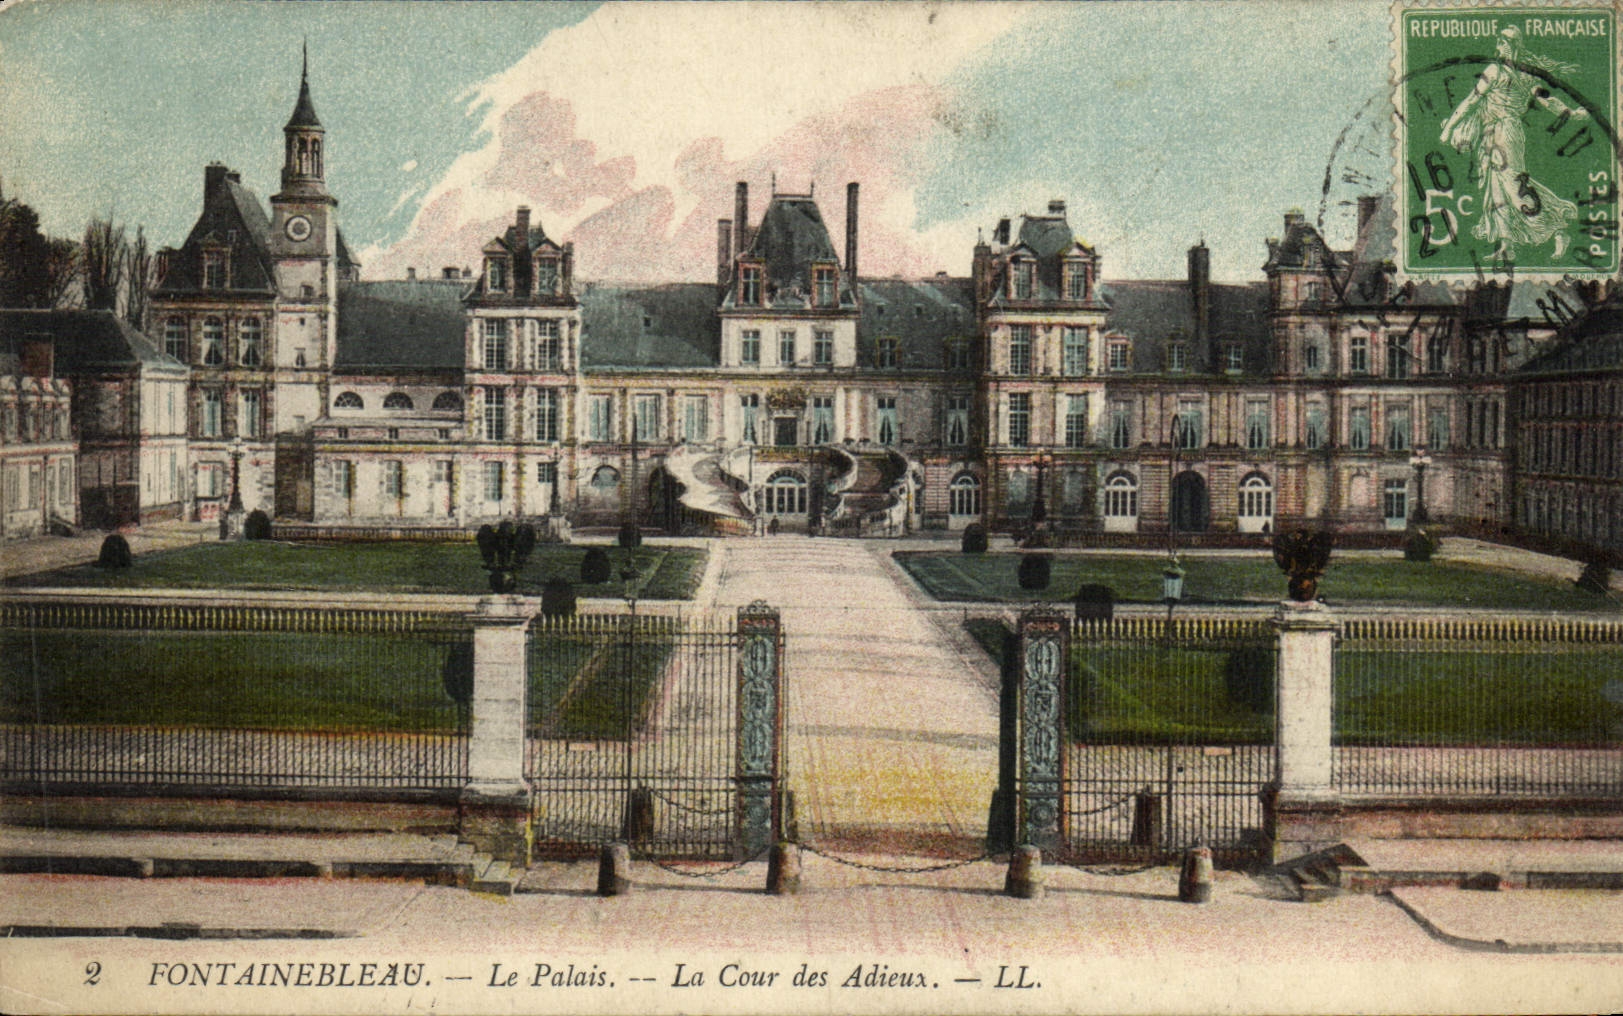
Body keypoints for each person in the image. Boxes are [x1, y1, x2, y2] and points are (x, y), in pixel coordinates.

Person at [1438, 26, 1587, 262]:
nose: (1498, 47)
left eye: (1502, 43)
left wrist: (1448, 129)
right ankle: (1506, 245)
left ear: (1510, 46)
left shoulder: (1496, 71)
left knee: (1513, 186)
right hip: (1494, 133)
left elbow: (1471, 101)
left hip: (1504, 132)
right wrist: (1570, 112)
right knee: (1496, 187)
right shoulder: (1527, 74)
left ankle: (1557, 229)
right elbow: (1548, 100)